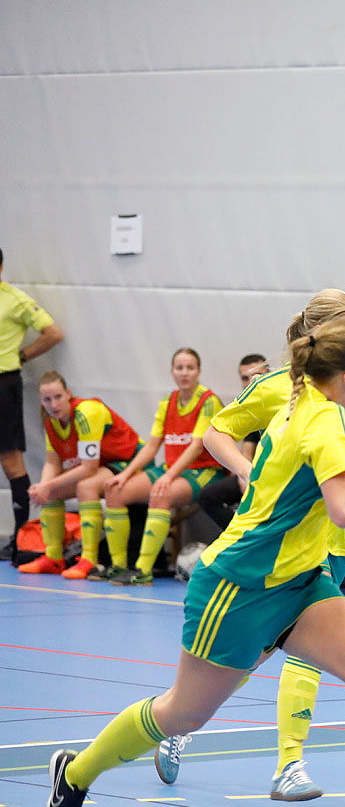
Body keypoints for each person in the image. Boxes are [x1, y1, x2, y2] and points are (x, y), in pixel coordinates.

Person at [46, 319, 345, 807]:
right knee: (182, 714)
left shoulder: (323, 403)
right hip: (240, 585)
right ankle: (75, 775)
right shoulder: (324, 422)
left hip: (299, 580)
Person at [167, 290, 345, 802]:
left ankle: (289, 764)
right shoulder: (282, 390)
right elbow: (217, 433)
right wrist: (250, 472)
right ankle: (182, 718)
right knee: (253, 646)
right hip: (275, 543)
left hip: (333, 539)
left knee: (312, 654)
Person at [65, 348, 226, 583]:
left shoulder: (208, 401)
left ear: (198, 371)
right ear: (172, 371)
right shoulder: (167, 401)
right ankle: (118, 565)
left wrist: (169, 476)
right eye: (179, 368)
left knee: (161, 494)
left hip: (203, 472)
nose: (184, 373)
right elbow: (151, 447)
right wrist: (126, 474)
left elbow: (196, 447)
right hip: (172, 469)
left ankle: (143, 570)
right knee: (115, 490)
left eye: (190, 368)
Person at [17, 372, 141, 575]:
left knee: (86, 486)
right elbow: (52, 462)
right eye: (47, 399)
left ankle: (89, 559)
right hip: (102, 465)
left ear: (68, 394)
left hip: (128, 461)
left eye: (58, 397)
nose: (53, 404)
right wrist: (43, 487)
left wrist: (49, 484)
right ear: (41, 401)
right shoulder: (51, 422)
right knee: (52, 492)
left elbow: (88, 468)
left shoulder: (85, 413)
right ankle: (53, 557)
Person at [1, 248, 67, 561]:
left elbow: (53, 333)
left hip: (3, 383)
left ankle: (19, 539)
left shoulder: (16, 300)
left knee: (11, 462)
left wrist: (22, 356)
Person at [196, 353, 271, 532]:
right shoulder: (251, 406)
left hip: (281, 475)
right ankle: (243, 535)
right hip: (255, 474)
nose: (250, 381)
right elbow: (246, 448)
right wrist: (244, 473)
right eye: (245, 378)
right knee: (207, 496)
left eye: (256, 375)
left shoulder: (281, 400)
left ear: (269, 373)